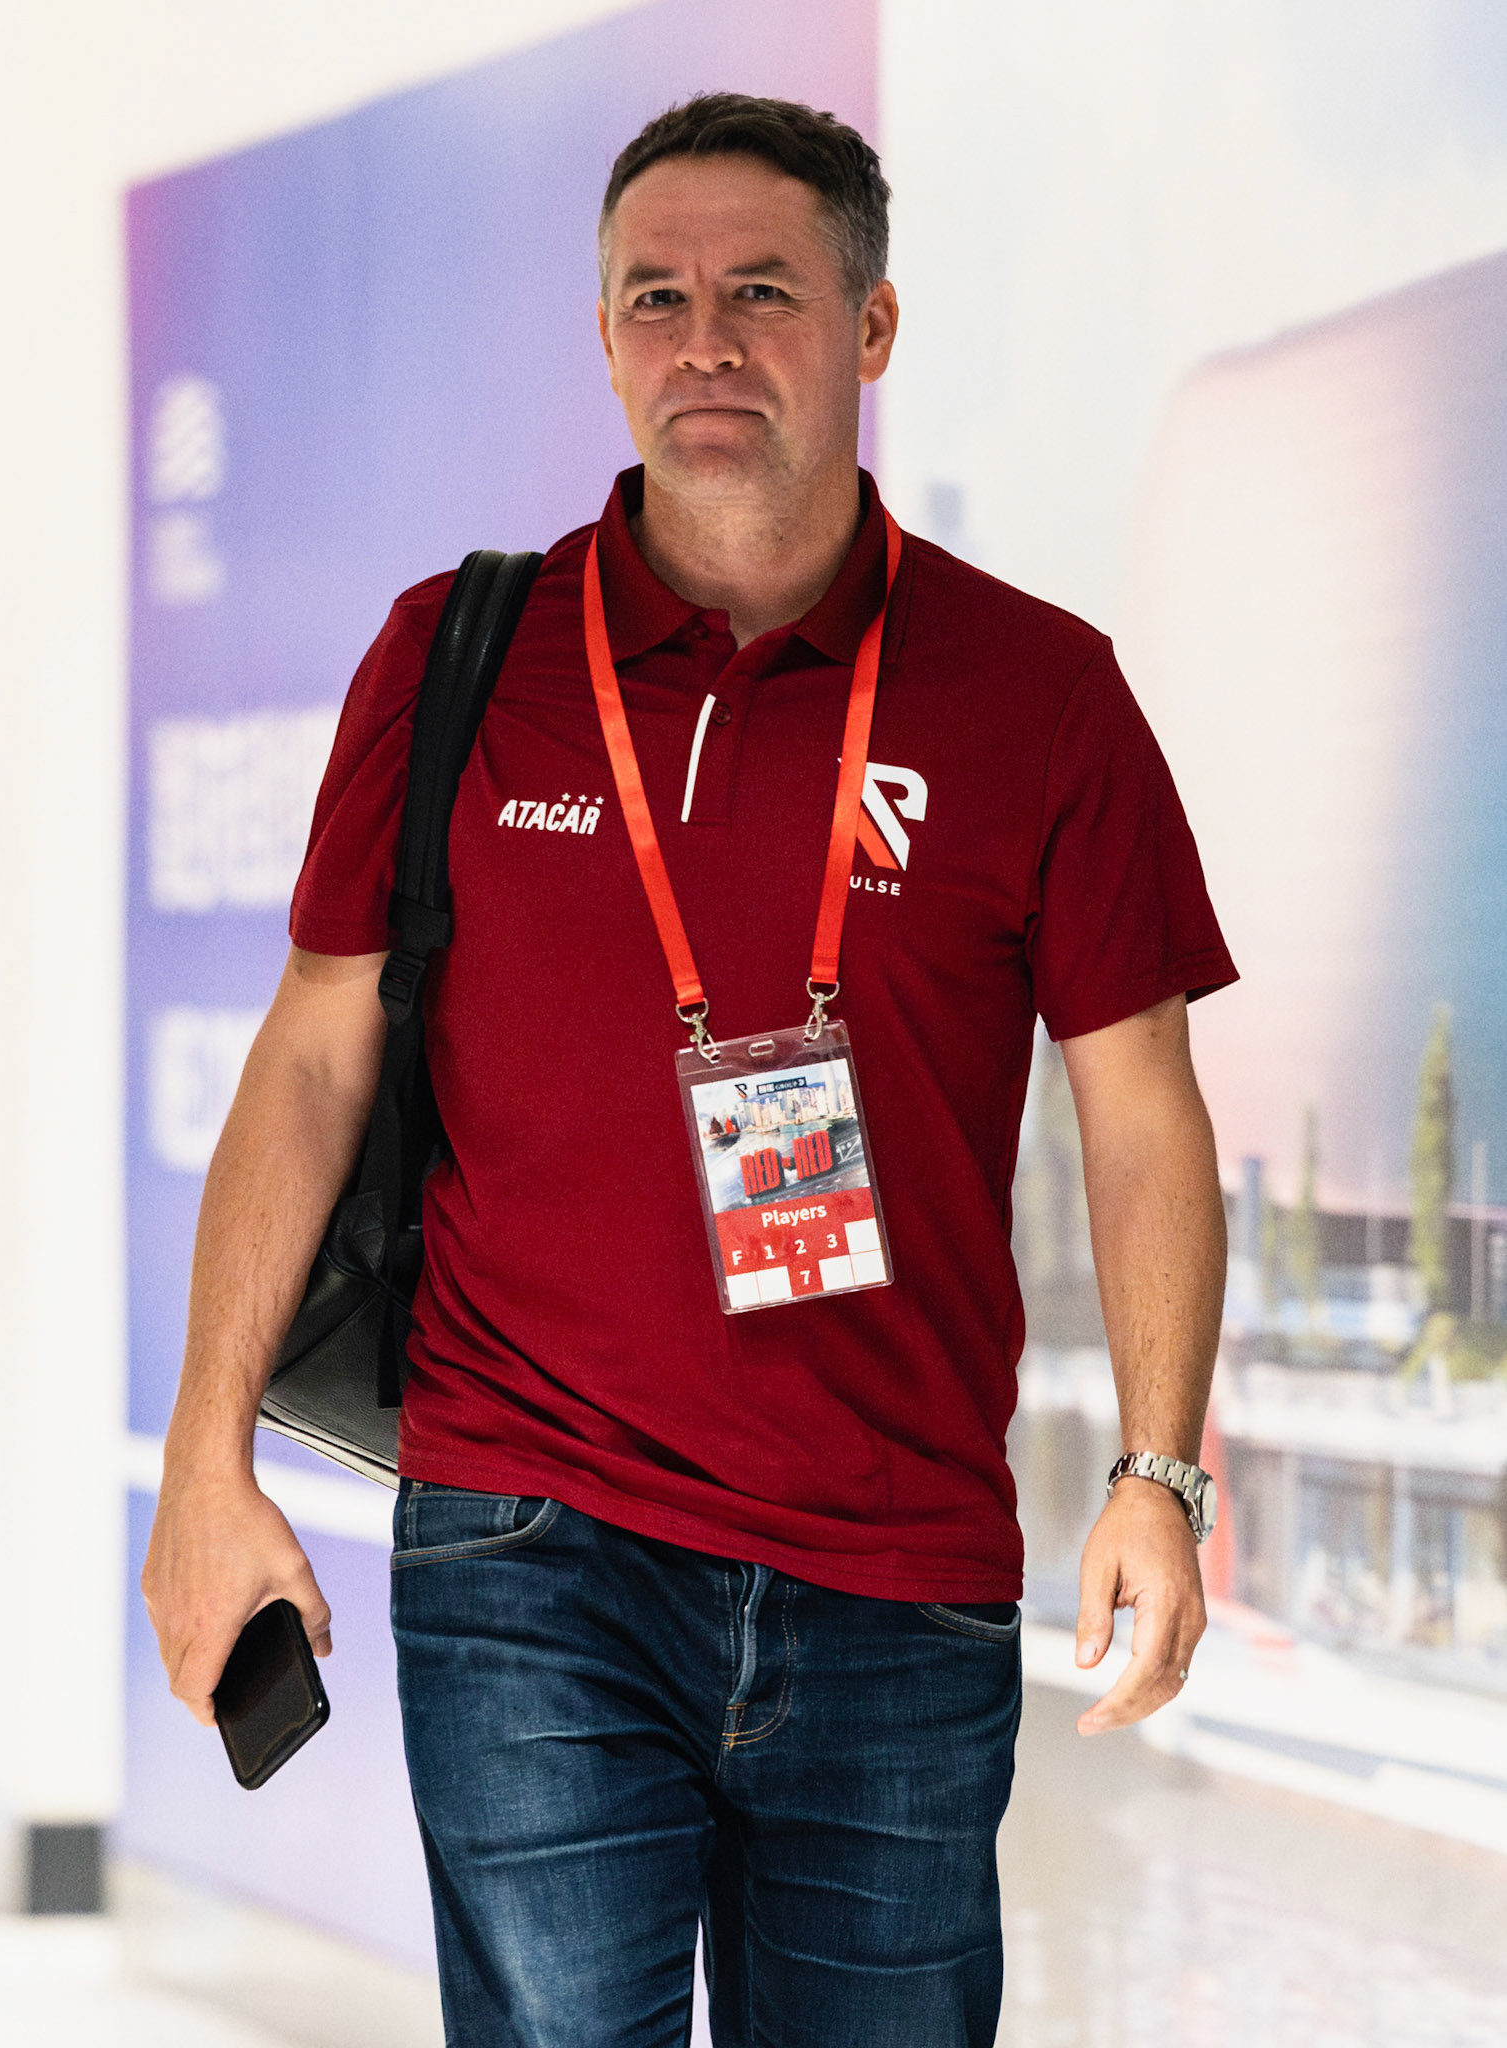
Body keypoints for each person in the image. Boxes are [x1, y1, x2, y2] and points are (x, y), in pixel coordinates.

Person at [143, 92, 1237, 2047]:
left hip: (897, 1562)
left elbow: (1141, 1109)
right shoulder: (460, 653)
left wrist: (1157, 1471)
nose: (705, 341)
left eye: (763, 293)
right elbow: (311, 1059)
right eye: (657, 296)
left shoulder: (1037, 691)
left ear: (872, 326)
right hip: (529, 1527)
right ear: (603, 338)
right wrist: (202, 1461)